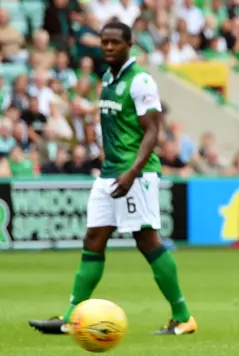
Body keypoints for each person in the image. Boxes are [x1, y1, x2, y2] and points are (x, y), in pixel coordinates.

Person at [29, 21, 197, 336]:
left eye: (114, 42)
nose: (108, 47)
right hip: (109, 174)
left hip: (136, 173)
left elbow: (153, 131)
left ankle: (183, 316)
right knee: (93, 239)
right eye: (104, 42)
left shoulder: (141, 80)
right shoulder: (107, 78)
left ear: (129, 44)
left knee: (147, 240)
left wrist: (133, 171)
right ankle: (70, 318)